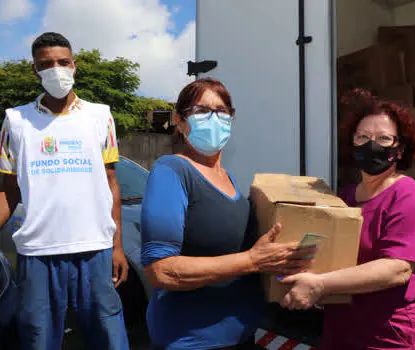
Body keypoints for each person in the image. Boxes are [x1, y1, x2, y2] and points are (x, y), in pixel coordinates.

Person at [141, 78, 314, 350]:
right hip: (190, 341)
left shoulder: (230, 180)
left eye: (221, 111)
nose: (213, 118)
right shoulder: (172, 171)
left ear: (232, 119)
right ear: (180, 121)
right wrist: (252, 260)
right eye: (201, 111)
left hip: (242, 336)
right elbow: (161, 271)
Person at [0, 32, 129, 349]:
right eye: (46, 64)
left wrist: (117, 246)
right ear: (35, 70)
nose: (56, 70)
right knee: (38, 340)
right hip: (38, 254)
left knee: (110, 338)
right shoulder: (15, 121)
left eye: (63, 62)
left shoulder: (101, 115)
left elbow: (111, 183)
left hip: (95, 249)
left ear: (75, 65)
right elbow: (7, 192)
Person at [279, 89, 415, 349]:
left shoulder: (407, 195)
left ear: (400, 149)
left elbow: (398, 269)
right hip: (343, 329)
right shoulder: (345, 197)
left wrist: (320, 284)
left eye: (383, 139)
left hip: (390, 334)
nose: (371, 145)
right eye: (362, 137)